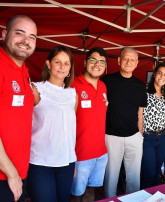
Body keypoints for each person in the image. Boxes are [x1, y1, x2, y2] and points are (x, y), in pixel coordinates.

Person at [27, 45, 77, 202]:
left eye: (66, 63)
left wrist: (72, 160)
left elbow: (68, 129)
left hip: (67, 163)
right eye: (57, 62)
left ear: (70, 69)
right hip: (40, 163)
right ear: (48, 64)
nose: (62, 67)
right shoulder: (35, 89)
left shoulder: (73, 94)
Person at [101, 47, 147, 198]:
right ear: (119, 61)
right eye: (126, 59)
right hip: (111, 136)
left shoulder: (141, 86)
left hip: (134, 136)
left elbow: (140, 114)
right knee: (111, 176)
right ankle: (110, 200)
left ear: (136, 63)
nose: (129, 62)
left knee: (134, 176)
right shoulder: (107, 81)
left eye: (132, 60)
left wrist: (140, 136)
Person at [0, 15, 37, 202]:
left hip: (20, 170)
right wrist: (11, 173)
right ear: (4, 34)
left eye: (32, 37)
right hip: (5, 175)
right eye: (20, 33)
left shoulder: (24, 70)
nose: (26, 41)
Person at [70, 47, 108, 202]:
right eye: (93, 60)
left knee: (91, 191)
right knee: (75, 195)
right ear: (85, 62)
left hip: (100, 153)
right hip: (80, 155)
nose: (96, 65)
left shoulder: (104, 87)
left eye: (101, 62)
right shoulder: (73, 85)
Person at [141, 63, 165, 189]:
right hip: (148, 137)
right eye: (159, 73)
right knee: (148, 172)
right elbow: (138, 115)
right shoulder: (144, 90)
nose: (162, 77)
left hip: (163, 137)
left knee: (157, 173)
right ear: (154, 74)